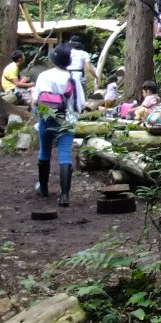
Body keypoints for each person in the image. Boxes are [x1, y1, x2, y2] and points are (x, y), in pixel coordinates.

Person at [32, 44, 81, 207]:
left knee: (44, 151)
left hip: (47, 118)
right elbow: (80, 104)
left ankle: (43, 187)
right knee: (65, 154)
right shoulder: (73, 78)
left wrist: (39, 112)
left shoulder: (44, 75)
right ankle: (65, 195)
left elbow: (36, 99)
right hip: (67, 119)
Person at [66, 35, 96, 109]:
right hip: (78, 75)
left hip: (66, 75)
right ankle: (80, 109)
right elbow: (89, 68)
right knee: (80, 94)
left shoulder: (67, 52)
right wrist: (96, 76)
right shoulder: (84, 53)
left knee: (67, 94)